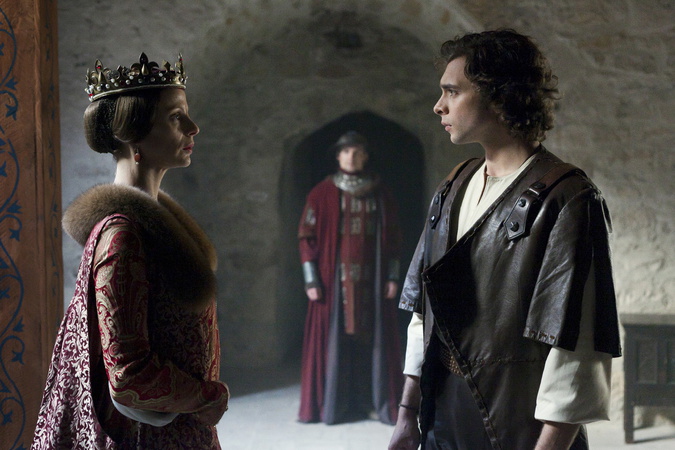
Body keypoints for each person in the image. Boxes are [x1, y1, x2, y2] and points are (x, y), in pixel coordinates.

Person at [388, 29, 621, 450]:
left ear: (499, 95)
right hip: (442, 413)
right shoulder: (454, 185)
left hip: (517, 423)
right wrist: (408, 414)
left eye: (452, 91)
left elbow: (577, 349)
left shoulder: (567, 198)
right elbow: (425, 314)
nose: (439, 105)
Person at [32, 53, 229, 449]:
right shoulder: (124, 236)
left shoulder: (151, 225)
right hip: (146, 438)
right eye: (175, 117)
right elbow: (129, 376)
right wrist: (206, 396)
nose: (193, 127)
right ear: (134, 137)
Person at [297, 131, 404, 425]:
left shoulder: (381, 193)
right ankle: (336, 404)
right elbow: (306, 238)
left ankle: (372, 401)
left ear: (365, 157)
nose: (351, 157)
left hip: (373, 281)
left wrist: (393, 277)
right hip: (333, 283)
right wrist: (311, 280)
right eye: (346, 152)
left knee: (373, 343)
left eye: (357, 152)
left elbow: (394, 239)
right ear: (338, 156)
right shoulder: (321, 193)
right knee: (336, 343)